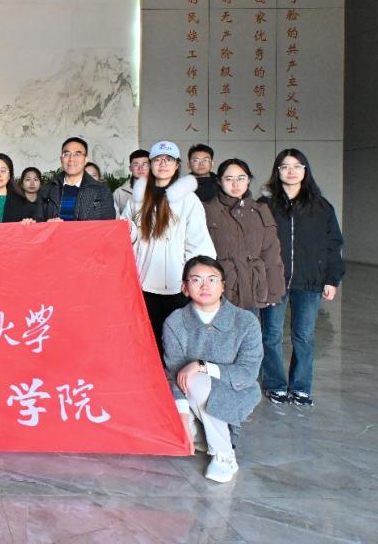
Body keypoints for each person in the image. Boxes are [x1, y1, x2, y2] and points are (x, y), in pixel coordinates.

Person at [163, 256, 262, 484]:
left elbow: (248, 373)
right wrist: (182, 417)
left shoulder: (245, 321)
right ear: (185, 287)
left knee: (195, 378)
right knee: (173, 427)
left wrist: (202, 367)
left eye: (212, 279)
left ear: (223, 286)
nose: (205, 286)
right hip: (187, 394)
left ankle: (223, 454)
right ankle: (199, 432)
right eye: (196, 280)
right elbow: (173, 373)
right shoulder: (175, 322)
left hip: (236, 390)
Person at [257, 149, 345, 407]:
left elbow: (334, 244)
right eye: (285, 166)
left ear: (305, 170)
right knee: (271, 335)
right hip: (274, 281)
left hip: (309, 281)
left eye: (297, 166)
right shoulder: (265, 206)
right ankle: (275, 385)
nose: (291, 171)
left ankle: (301, 387)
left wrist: (331, 279)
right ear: (277, 171)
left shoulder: (321, 206)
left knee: (304, 337)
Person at [121, 140, 215, 355]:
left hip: (177, 285)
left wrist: (193, 279)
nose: (163, 164)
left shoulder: (189, 200)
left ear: (177, 165)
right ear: (150, 164)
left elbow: (198, 243)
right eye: (158, 159)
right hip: (143, 284)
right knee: (147, 341)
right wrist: (128, 230)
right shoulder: (137, 199)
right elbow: (126, 238)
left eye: (169, 159)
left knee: (177, 341)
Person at [203, 159, 285, 316]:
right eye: (229, 179)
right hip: (218, 290)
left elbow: (271, 254)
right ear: (219, 181)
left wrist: (273, 292)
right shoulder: (207, 210)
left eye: (241, 178)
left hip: (252, 289)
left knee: (248, 329)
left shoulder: (260, 210)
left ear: (248, 180)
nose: (235, 184)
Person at [40, 137, 116, 221]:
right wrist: (47, 224)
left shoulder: (102, 191)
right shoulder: (47, 189)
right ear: (61, 159)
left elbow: (109, 225)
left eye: (77, 154)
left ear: (85, 160)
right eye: (66, 154)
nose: (71, 159)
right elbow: (37, 222)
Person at [114, 149, 150, 214]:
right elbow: (115, 217)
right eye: (136, 165)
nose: (140, 168)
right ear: (130, 168)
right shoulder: (119, 193)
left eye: (144, 164)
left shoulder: (159, 189)